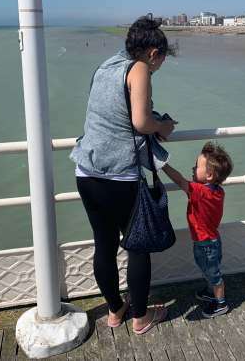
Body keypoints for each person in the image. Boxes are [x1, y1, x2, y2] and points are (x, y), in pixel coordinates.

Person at [70, 17, 177, 335]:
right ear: (153, 52)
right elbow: (141, 122)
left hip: (86, 172)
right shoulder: (140, 68)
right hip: (119, 176)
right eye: (161, 61)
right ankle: (140, 318)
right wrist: (163, 126)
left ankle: (115, 310)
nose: (158, 67)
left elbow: (115, 113)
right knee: (138, 247)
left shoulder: (106, 65)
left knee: (104, 244)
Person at [162, 142, 234, 318]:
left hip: (205, 243)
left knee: (213, 274)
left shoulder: (200, 191)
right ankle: (211, 293)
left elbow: (179, 180)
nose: (192, 168)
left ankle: (221, 303)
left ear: (209, 175)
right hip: (211, 240)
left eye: (196, 166)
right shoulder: (218, 191)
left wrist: (162, 163)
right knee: (209, 270)